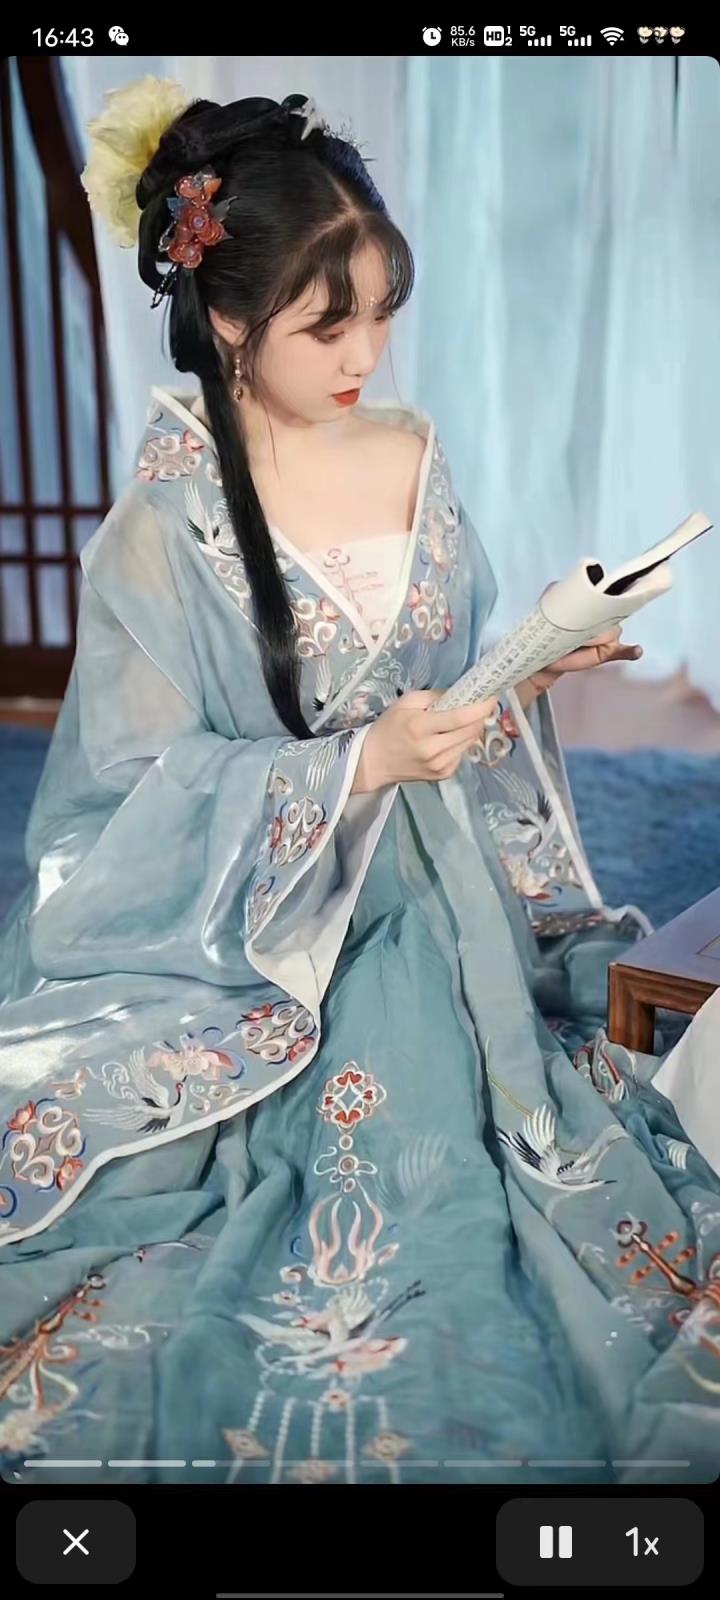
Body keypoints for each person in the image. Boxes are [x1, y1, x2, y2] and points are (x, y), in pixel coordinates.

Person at [0, 79, 718, 1489]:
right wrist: (353, 768)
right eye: (329, 327)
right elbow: (128, 797)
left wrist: (532, 671)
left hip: (445, 883)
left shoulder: (412, 452)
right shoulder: (163, 527)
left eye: (383, 315)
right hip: (269, 927)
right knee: (355, 1170)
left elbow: (449, 689)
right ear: (227, 320)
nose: (367, 356)